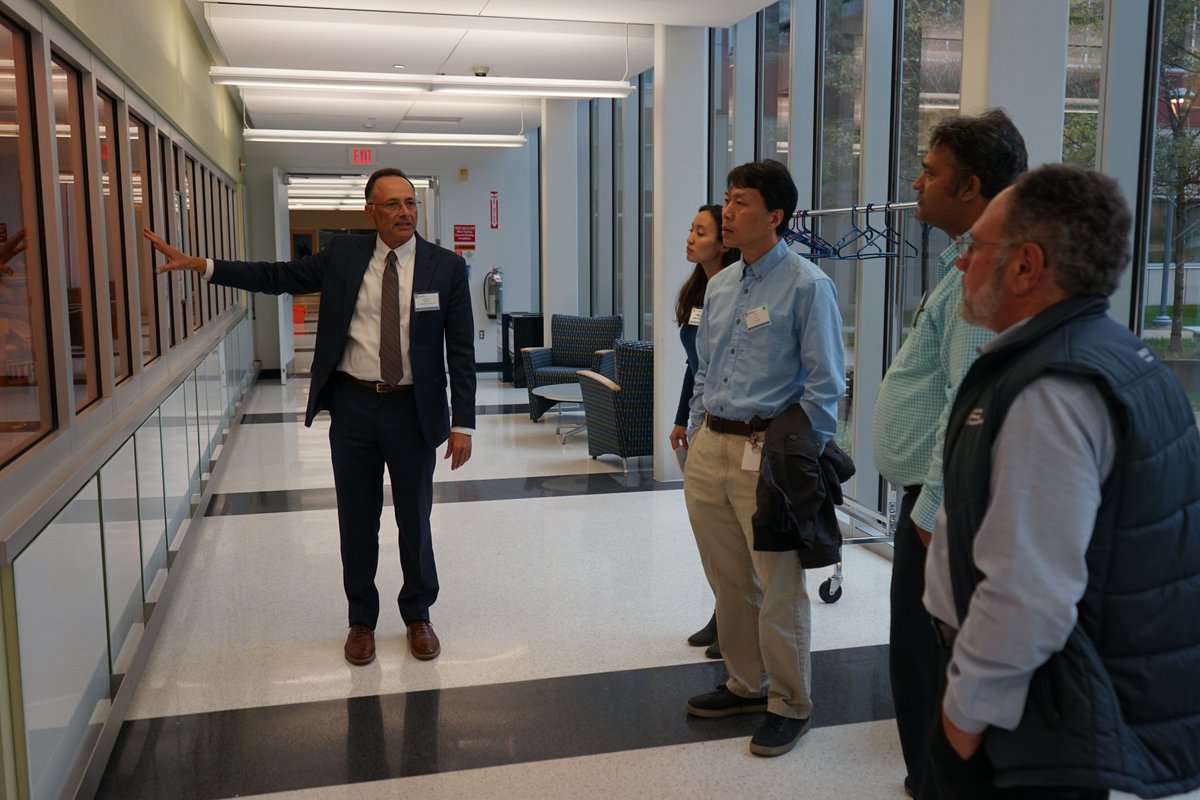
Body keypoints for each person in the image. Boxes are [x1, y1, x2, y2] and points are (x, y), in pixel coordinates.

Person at [925, 163, 1200, 799]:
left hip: (1034, 715)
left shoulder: (1051, 391)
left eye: (977, 247)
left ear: (1025, 266)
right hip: (1054, 701)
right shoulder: (1117, 355)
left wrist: (963, 718)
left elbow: (1028, 594)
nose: (962, 262)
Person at [144, 167, 476, 667]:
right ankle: (361, 621)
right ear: (370, 211)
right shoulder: (344, 256)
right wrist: (205, 266)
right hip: (355, 406)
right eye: (392, 204)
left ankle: (418, 615)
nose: (405, 212)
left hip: (413, 410)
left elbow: (462, 351)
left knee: (415, 519)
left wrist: (462, 424)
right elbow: (276, 276)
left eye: (410, 203)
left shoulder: (445, 267)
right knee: (356, 520)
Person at [872, 109, 1026, 800]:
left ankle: (934, 785)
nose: (917, 182)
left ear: (969, 187)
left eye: (930, 172)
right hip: (930, 506)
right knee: (918, 668)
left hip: (937, 514)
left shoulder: (983, 273)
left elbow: (968, 406)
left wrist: (931, 517)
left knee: (925, 668)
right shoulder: (959, 261)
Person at [683, 160, 845, 758]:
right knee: (728, 578)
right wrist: (697, 432)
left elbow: (826, 387)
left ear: (775, 216)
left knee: (778, 585)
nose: (728, 212)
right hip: (712, 446)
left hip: (766, 452)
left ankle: (790, 702)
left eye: (742, 202)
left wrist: (798, 463)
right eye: (727, 200)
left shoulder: (807, 285)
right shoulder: (721, 284)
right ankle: (746, 684)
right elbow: (704, 368)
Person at [670, 204, 740, 661]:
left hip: (729, 424)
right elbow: (695, 366)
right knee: (711, 535)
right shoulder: (699, 291)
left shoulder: (735, 291)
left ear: (723, 242)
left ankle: (732, 619)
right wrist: (682, 419)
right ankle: (723, 611)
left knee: (730, 537)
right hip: (701, 420)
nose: (690, 238)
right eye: (691, 230)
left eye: (700, 231)